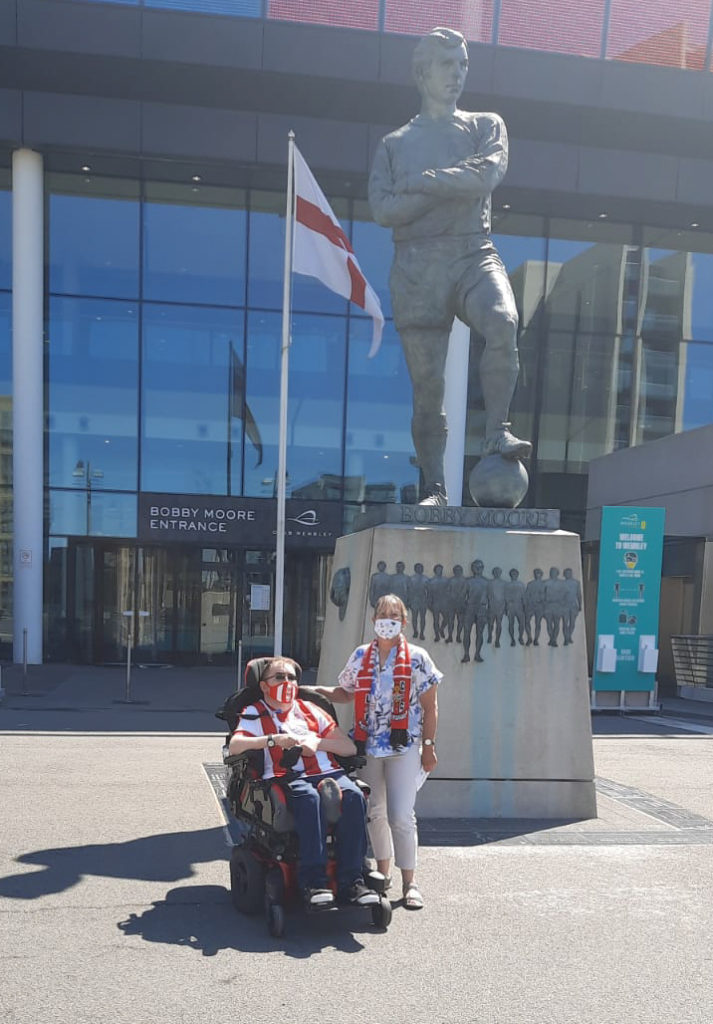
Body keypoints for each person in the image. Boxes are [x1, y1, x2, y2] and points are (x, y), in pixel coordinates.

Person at [369, 26, 531, 506]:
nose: (458, 73)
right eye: (448, 64)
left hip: (471, 252)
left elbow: (487, 175)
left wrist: (421, 183)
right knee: (428, 390)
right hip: (416, 266)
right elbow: (383, 210)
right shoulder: (394, 144)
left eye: (463, 64)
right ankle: (434, 487)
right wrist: (445, 187)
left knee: (502, 320)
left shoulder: (485, 126)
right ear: (422, 73)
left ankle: (497, 431)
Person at [317, 594, 441, 910]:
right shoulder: (361, 655)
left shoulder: (418, 658)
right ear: (374, 621)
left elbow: (430, 707)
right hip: (368, 745)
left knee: (400, 814)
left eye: (394, 616)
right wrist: (317, 692)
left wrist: (428, 747)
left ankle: (410, 882)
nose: (388, 621)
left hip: (404, 746)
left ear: (404, 621)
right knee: (375, 811)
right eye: (383, 615)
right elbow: (346, 692)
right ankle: (382, 874)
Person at [228, 657, 378, 910]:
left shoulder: (312, 709)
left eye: (291, 677)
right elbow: (235, 746)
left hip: (328, 772)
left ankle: (352, 882)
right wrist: (272, 740)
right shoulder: (255, 712)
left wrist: (318, 743)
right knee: (309, 799)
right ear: (264, 685)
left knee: (353, 796)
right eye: (279, 677)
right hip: (285, 775)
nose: (287, 682)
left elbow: (348, 747)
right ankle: (314, 883)